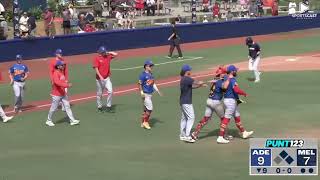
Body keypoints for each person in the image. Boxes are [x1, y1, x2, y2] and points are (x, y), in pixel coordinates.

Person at [217, 65, 253, 144]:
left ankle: (244, 132)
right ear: (233, 71)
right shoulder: (232, 79)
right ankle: (220, 137)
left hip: (230, 100)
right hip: (230, 102)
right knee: (226, 119)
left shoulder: (227, 78)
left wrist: (238, 99)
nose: (236, 71)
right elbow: (236, 89)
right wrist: (244, 93)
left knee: (237, 116)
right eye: (235, 70)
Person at [191, 66, 226, 141]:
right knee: (224, 119)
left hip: (209, 101)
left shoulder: (215, 78)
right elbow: (225, 89)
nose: (225, 74)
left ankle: (195, 133)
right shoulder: (221, 81)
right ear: (222, 74)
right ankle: (222, 136)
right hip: (216, 102)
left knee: (206, 118)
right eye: (224, 73)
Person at [46, 60, 80, 127]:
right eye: (62, 65)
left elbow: (62, 82)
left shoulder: (61, 73)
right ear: (58, 66)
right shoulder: (56, 73)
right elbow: (57, 83)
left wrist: (66, 84)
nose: (63, 66)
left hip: (63, 93)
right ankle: (48, 120)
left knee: (67, 106)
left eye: (63, 65)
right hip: (56, 94)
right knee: (53, 108)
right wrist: (67, 85)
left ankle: (72, 120)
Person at [179, 64, 207, 143]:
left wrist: (200, 86)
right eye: (190, 70)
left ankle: (182, 135)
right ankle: (187, 136)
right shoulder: (187, 79)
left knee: (184, 118)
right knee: (191, 118)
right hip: (187, 102)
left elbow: (191, 87)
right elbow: (196, 82)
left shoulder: (183, 79)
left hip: (183, 101)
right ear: (187, 71)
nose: (191, 71)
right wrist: (200, 83)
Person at [93, 46, 118, 113]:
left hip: (107, 78)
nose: (105, 53)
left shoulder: (108, 56)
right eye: (103, 52)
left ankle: (108, 107)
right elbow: (96, 68)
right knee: (99, 94)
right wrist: (100, 76)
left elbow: (116, 54)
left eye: (105, 52)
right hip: (99, 79)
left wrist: (108, 52)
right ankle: (99, 107)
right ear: (100, 52)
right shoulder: (97, 58)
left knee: (110, 91)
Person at [138, 60, 162, 130]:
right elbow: (139, 84)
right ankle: (146, 122)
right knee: (150, 109)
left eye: (152, 66)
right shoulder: (142, 75)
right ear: (146, 66)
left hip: (149, 94)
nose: (151, 67)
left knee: (145, 109)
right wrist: (141, 92)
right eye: (150, 66)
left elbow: (153, 83)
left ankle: (142, 122)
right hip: (145, 94)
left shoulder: (151, 74)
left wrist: (158, 91)